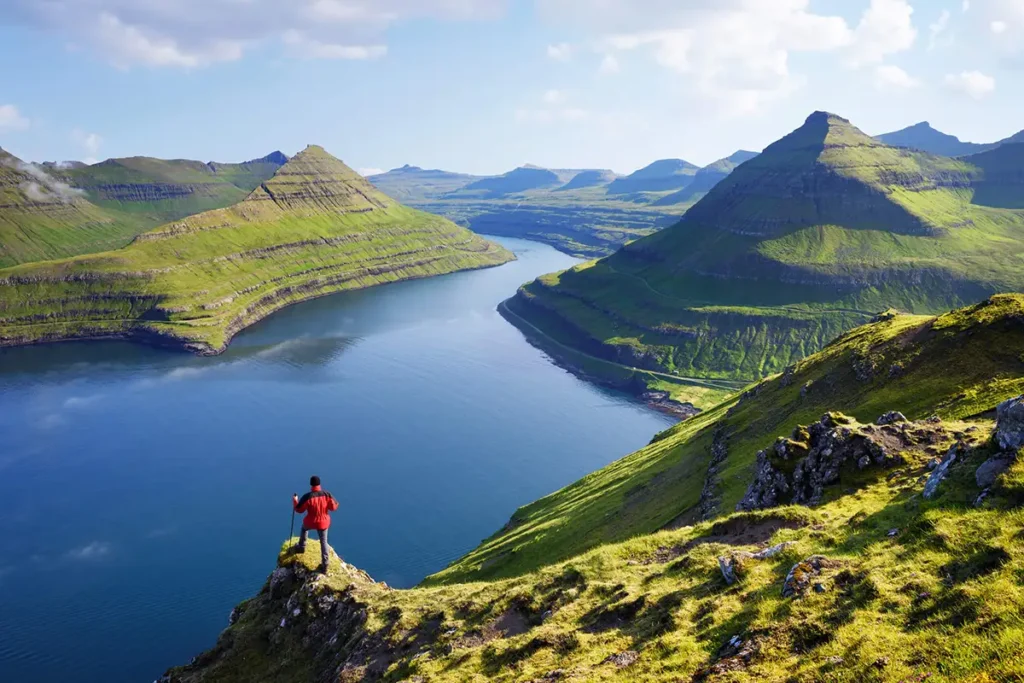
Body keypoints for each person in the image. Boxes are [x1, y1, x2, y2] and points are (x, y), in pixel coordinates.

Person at [292, 475, 339, 573]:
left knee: (304, 529)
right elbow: (334, 507)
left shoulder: (307, 497)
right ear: (319, 484)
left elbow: (299, 509)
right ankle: (325, 565)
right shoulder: (327, 495)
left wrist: (295, 500)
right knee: (323, 542)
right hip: (323, 522)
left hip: (311, 521)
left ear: (311, 485)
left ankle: (301, 547)